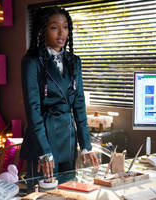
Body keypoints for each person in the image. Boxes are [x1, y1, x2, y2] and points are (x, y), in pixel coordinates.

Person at [20, 6, 99, 180]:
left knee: (69, 192)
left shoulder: (74, 61)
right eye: (54, 27)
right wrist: (44, 151)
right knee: (44, 195)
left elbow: (79, 105)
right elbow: (33, 109)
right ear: (42, 30)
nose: (61, 32)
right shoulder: (31, 62)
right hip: (43, 139)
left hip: (68, 139)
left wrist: (86, 145)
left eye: (65, 27)